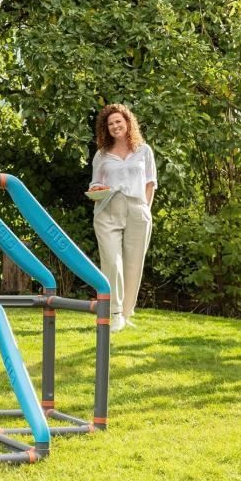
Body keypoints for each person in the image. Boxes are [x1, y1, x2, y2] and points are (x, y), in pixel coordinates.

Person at [88, 104, 157, 333]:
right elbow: (95, 183)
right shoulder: (102, 154)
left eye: (118, 121)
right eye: (110, 124)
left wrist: (146, 210)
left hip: (138, 209)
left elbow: (150, 183)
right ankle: (115, 312)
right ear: (106, 128)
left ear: (128, 122)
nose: (115, 126)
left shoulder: (144, 150)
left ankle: (126, 313)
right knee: (112, 261)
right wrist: (96, 189)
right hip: (108, 209)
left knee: (134, 263)